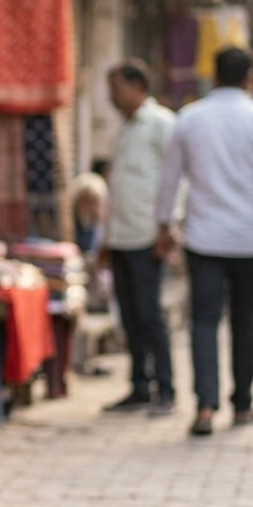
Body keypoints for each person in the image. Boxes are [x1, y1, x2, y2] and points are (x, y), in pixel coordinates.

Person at [156, 46, 253, 437]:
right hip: (248, 238)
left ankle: (206, 407)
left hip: (204, 237)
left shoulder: (191, 118)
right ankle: (242, 404)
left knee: (204, 320)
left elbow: (169, 179)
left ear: (212, 75)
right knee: (247, 321)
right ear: (249, 78)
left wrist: (164, 224)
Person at [102, 60, 177, 414]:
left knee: (150, 314)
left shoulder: (161, 123)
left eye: (116, 88)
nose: (112, 97)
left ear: (137, 87)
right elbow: (118, 189)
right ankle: (139, 386)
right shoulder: (126, 128)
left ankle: (166, 388)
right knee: (130, 316)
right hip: (121, 236)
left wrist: (169, 226)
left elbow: (177, 179)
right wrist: (106, 239)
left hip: (148, 235)